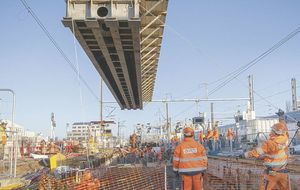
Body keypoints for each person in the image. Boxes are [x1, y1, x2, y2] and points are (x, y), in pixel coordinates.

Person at [242, 122, 290, 190]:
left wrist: (245, 155)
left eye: (272, 130)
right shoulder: (285, 140)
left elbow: (257, 152)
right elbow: (278, 154)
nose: (271, 131)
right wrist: (265, 156)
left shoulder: (269, 143)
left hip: (272, 173)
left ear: (275, 132)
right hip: (283, 172)